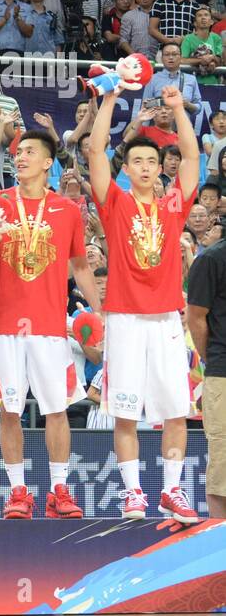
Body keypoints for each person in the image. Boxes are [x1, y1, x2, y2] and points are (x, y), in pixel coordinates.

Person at [87, 84, 201, 523]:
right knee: (126, 410)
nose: (147, 167)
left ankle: (172, 490)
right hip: (126, 319)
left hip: (167, 321)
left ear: (159, 169)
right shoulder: (114, 202)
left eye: (153, 161)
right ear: (128, 168)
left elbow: (191, 159)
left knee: (175, 409)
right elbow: (96, 150)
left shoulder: (174, 204)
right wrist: (112, 99)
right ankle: (133, 492)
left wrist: (177, 109)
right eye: (138, 160)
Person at [0, 130, 102, 519]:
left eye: (29, 152)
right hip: (4, 324)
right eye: (18, 153)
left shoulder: (67, 209)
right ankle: (18, 491)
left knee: (56, 409)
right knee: (10, 410)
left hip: (50, 325)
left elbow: (81, 266)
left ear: (48, 162)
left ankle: (59, 489)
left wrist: (100, 310)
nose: (20, 157)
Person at [187, 235, 226, 519]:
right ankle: (219, 544)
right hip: (223, 373)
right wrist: (212, 359)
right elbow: (196, 318)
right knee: (223, 465)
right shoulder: (212, 259)